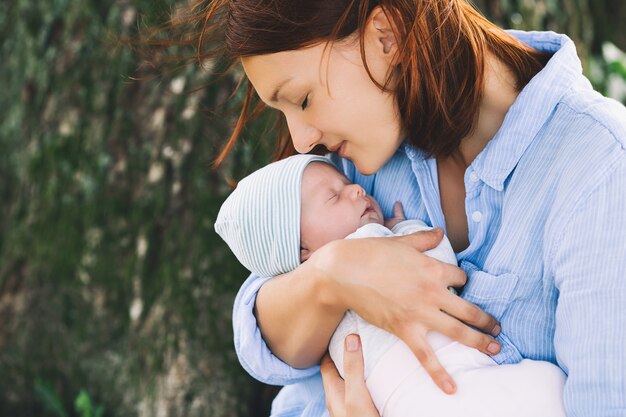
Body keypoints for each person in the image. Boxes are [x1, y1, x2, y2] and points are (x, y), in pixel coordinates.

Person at [165, 0, 626, 415]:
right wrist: (330, 277)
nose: (302, 140)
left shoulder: (598, 170)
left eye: (302, 99)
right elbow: (260, 325)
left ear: (385, 36)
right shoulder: (364, 160)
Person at [214, 154, 566, 416]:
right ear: (301, 251)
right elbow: (437, 259)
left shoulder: (311, 314)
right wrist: (404, 231)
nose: (354, 189)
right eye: (333, 196)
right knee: (544, 388)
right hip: (438, 375)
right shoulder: (365, 244)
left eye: (344, 183)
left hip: (403, 400)